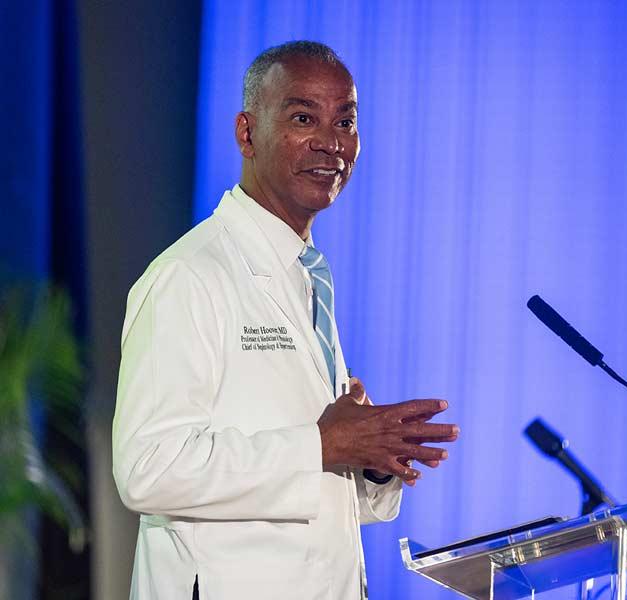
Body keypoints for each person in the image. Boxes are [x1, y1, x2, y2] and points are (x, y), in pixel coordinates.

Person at [112, 41, 459, 600]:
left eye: (345, 120)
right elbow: (148, 468)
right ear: (246, 133)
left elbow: (307, 485)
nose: (331, 142)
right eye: (303, 118)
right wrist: (322, 444)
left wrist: (370, 459)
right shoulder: (188, 275)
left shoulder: (306, 274)